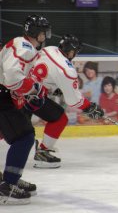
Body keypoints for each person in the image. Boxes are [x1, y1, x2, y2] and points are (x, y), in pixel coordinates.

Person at [27, 34, 104, 168]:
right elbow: (73, 101)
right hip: (32, 97)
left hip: (19, 88)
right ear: (72, 51)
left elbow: (44, 71)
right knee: (60, 118)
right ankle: (42, 153)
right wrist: (89, 107)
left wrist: (54, 87)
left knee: (9, 127)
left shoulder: (49, 49)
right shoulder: (67, 69)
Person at [0, 14, 51, 204]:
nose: (45, 35)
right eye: (43, 32)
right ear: (36, 33)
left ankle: (10, 178)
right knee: (25, 136)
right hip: (2, 96)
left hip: (4, 95)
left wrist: (32, 89)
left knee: (19, 136)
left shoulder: (21, 45)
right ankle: (7, 185)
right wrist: (33, 89)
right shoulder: (25, 46)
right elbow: (13, 77)